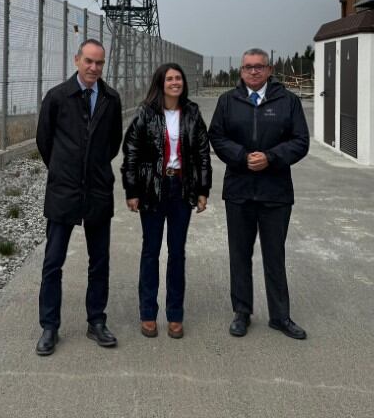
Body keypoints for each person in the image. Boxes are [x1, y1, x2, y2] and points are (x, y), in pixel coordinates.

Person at [208, 48, 310, 340]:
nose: (253, 71)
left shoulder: (287, 101)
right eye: (248, 67)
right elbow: (216, 136)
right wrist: (241, 156)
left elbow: (300, 141)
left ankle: (280, 316)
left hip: (275, 193)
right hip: (239, 191)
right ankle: (242, 312)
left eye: (259, 67)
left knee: (274, 255)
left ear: (269, 70)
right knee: (239, 254)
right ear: (241, 71)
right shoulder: (228, 101)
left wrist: (271, 157)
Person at [34, 39, 123, 356]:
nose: (93, 68)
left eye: (99, 63)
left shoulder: (111, 99)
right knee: (53, 261)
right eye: (88, 61)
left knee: (99, 261)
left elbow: (113, 143)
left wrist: (94, 170)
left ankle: (96, 321)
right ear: (76, 60)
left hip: (98, 190)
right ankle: (49, 326)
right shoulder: (58, 97)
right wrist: (63, 170)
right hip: (64, 191)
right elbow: (45, 141)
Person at [121, 63, 212, 340]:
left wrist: (202, 189)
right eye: (169, 79)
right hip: (152, 190)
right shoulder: (145, 114)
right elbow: (132, 153)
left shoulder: (193, 113)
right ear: (160, 83)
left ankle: (175, 315)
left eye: (178, 78)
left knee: (176, 254)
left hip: (181, 190)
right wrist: (132, 191)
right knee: (150, 252)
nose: (175, 82)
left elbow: (202, 154)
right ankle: (148, 314)